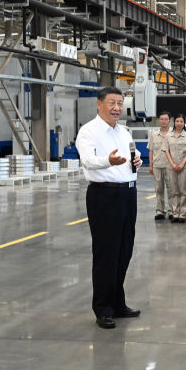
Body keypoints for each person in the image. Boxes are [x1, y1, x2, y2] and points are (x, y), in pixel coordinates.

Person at [75, 86, 142, 330]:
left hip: (128, 193)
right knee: (106, 253)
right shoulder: (88, 131)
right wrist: (108, 161)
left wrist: (137, 160)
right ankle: (103, 308)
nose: (116, 108)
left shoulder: (123, 132)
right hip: (104, 195)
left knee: (124, 251)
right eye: (112, 103)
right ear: (99, 104)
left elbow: (132, 154)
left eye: (120, 103)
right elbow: (88, 161)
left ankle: (117, 303)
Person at [164, 115, 186, 223]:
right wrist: (173, 164)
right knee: (173, 190)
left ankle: (183, 214)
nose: (179, 123)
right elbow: (166, 151)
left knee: (184, 191)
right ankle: (175, 213)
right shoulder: (168, 136)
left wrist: (182, 164)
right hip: (171, 167)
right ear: (174, 122)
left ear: (184, 123)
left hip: (184, 166)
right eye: (177, 121)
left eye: (181, 121)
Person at [148, 111, 172, 220]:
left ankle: (172, 211)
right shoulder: (154, 135)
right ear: (159, 121)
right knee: (159, 189)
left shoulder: (173, 134)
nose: (164, 121)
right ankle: (160, 211)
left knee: (172, 189)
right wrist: (151, 165)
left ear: (169, 121)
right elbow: (151, 151)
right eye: (162, 119)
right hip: (157, 165)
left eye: (166, 119)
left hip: (170, 166)